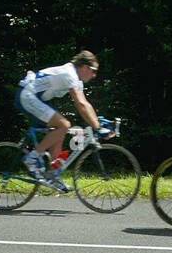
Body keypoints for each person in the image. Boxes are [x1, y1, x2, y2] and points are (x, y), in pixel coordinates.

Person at [16, 50, 108, 192]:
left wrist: (98, 124)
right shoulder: (69, 74)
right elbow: (80, 104)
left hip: (36, 97)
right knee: (64, 125)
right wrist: (97, 127)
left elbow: (85, 103)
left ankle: (53, 174)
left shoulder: (76, 79)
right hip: (28, 95)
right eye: (93, 71)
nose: (94, 75)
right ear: (84, 67)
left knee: (60, 131)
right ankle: (32, 159)